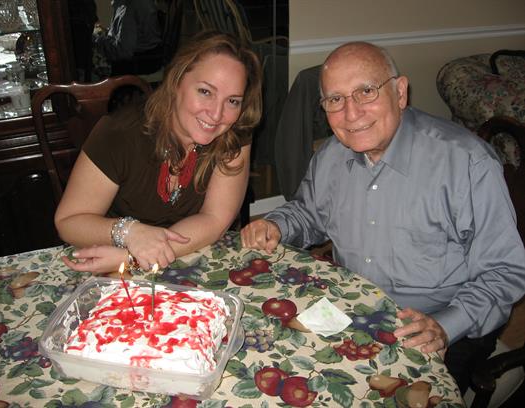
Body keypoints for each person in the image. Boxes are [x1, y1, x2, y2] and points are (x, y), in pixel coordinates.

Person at [241, 41, 525, 393]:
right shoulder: (330, 156)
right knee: (271, 362)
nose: (351, 113)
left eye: (366, 91)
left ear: (400, 92)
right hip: (351, 306)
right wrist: (277, 224)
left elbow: (504, 270)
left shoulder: (467, 163)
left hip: (438, 323)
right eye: (335, 99)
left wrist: (447, 324)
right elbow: (309, 212)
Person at [56, 31, 262, 274]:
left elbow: (214, 220)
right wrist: (129, 232)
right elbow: (68, 222)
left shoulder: (234, 133)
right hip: (111, 264)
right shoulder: (119, 133)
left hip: (188, 257)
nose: (217, 115)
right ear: (176, 81)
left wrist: (134, 256)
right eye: (205, 92)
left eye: (233, 101)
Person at [93, 0, 166, 75]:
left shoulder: (129, 7)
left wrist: (98, 40)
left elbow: (123, 51)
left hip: (139, 62)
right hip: (149, 58)